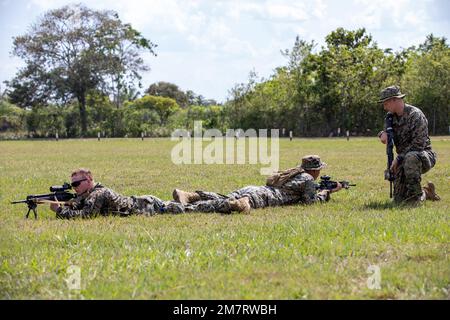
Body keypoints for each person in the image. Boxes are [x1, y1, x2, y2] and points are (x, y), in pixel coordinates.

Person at [172, 155, 343, 214]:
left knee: (227, 197)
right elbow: (309, 202)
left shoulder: (295, 172)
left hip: (255, 189)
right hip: (263, 197)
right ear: (315, 170)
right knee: (229, 205)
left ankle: (191, 195)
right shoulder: (308, 180)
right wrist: (325, 194)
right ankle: (187, 208)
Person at [377, 85, 440, 204]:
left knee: (411, 157)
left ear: (394, 100)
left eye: (385, 103)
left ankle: (416, 197)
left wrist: (399, 158)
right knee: (399, 199)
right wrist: (382, 134)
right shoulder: (390, 117)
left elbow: (418, 145)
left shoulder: (415, 115)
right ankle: (426, 192)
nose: (384, 107)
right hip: (403, 158)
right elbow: (385, 132)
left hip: (422, 156)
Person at [50, 168, 184, 219]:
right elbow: (80, 206)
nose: (74, 188)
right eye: (72, 185)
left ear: (89, 179)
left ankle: (195, 196)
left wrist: (60, 211)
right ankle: (185, 196)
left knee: (186, 208)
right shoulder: (87, 194)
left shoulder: (98, 194)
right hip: (143, 202)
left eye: (76, 184)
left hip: (147, 206)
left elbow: (87, 216)